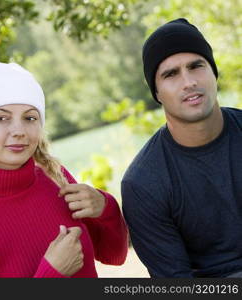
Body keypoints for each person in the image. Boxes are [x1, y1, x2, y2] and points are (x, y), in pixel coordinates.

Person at [0, 62, 128, 278]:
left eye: (30, 118)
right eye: (1, 118)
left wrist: (106, 209)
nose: (19, 131)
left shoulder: (56, 176)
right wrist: (52, 275)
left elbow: (114, 255)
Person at [121, 18, 242, 278]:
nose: (188, 82)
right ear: (157, 92)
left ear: (213, 72)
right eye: (171, 74)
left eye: (196, 66)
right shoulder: (143, 183)